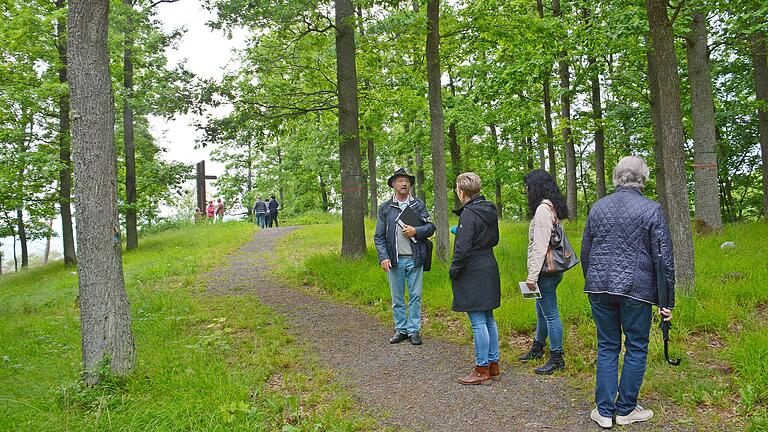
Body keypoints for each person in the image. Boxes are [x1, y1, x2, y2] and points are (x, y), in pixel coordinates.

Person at [581, 156, 674, 429]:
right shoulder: (651, 209)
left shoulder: (598, 208)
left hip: (599, 288)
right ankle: (626, 409)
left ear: (616, 176)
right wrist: (666, 301)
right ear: (642, 178)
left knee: (607, 346)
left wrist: (594, 281)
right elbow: (663, 259)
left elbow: (587, 251)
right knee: (636, 346)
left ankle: (604, 411)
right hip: (637, 290)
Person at [374, 167, 436, 346]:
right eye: (400, 181)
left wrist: (416, 230)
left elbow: (431, 227)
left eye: (407, 181)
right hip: (394, 260)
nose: (404, 184)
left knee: (416, 296)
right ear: (393, 184)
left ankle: (414, 330)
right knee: (397, 297)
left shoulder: (418, 205)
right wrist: (383, 257)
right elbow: (379, 237)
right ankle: (401, 329)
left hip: (415, 258)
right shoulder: (385, 208)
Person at [449, 172, 501, 385]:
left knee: (478, 322)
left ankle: (481, 369)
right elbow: (494, 239)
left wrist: (454, 269)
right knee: (488, 318)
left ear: (462, 193)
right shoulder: (489, 210)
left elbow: (462, 248)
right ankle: (493, 365)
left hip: (473, 269)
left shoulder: (468, 214)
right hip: (489, 264)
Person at [519, 169, 569, 375]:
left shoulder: (542, 210)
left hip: (545, 271)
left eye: (528, 186)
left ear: (536, 186)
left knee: (550, 313)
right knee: (541, 311)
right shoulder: (553, 207)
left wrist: (532, 276)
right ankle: (537, 347)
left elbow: (540, 246)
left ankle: (557, 357)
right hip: (553, 270)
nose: (526, 190)